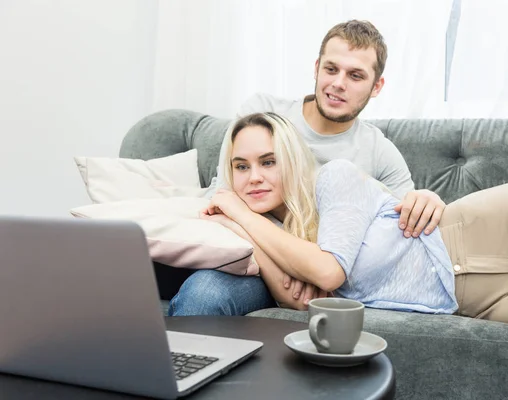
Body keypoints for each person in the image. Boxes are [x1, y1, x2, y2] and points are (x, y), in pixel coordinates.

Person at [202, 111, 508, 337]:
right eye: (241, 167)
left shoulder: (334, 178)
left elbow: (327, 270)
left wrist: (239, 213)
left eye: (268, 161)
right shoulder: (280, 239)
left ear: (291, 159)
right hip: (483, 302)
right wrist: (244, 227)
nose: (253, 176)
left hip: (504, 227)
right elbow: (301, 301)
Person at [169, 20, 445, 316]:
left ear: (376, 86)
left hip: (320, 271)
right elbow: (223, 195)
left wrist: (429, 199)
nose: (338, 83)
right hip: (256, 257)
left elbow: (401, 230)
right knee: (203, 294)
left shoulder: (379, 152)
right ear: (316, 68)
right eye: (331, 69)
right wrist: (280, 259)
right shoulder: (263, 112)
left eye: (355, 75)